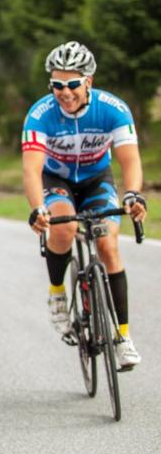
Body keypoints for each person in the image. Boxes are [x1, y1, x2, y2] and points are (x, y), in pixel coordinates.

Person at [22, 41, 147, 369]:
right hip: (56, 180)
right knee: (63, 229)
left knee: (108, 246)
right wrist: (38, 208)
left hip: (96, 178)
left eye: (73, 84)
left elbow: (130, 160)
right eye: (57, 84)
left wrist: (132, 194)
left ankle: (123, 335)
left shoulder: (112, 109)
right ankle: (57, 293)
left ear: (88, 81)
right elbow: (32, 169)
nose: (64, 92)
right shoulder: (40, 114)